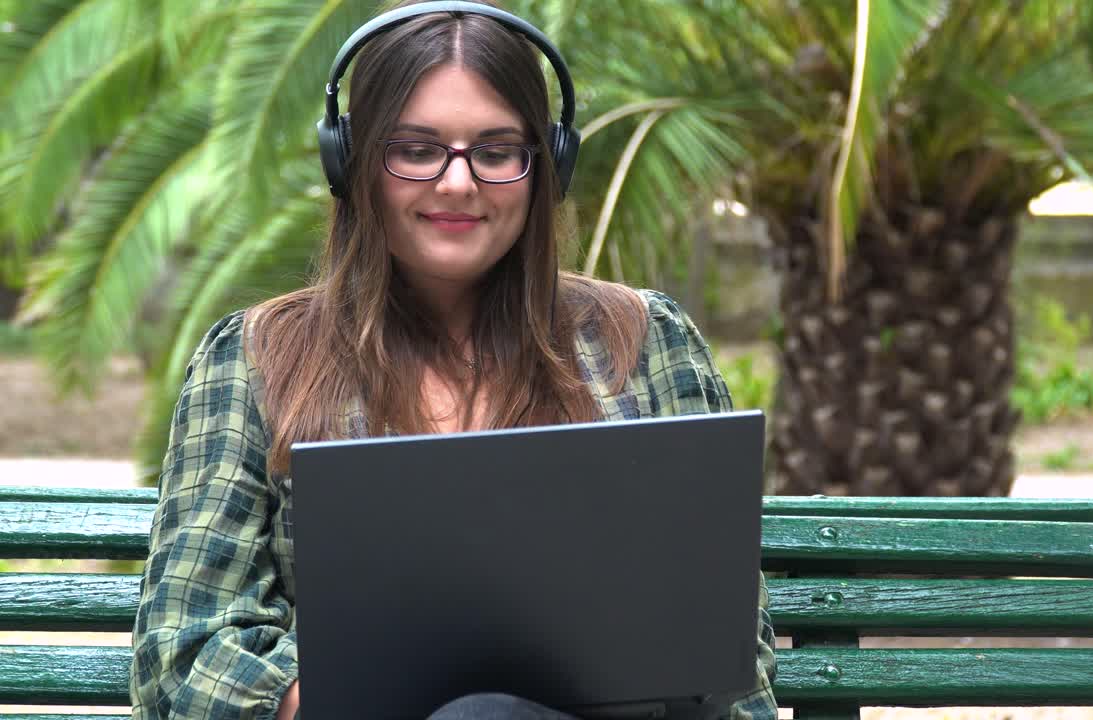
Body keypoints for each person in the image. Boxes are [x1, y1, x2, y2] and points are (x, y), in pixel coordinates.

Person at [128, 3, 778, 719]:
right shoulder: (255, 359)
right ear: (350, 161)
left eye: (496, 152)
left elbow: (730, 651)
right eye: (417, 149)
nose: (459, 183)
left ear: (547, 167)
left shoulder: (646, 341)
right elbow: (182, 656)